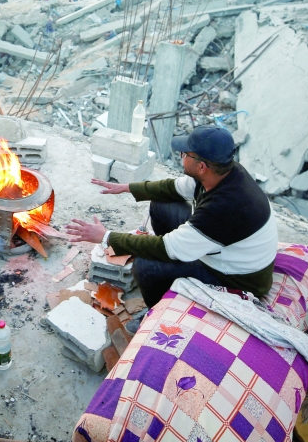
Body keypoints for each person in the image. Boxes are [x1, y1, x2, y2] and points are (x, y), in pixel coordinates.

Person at [65, 126, 277, 307]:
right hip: (220, 249)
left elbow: (166, 247)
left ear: (201, 166)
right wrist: (127, 187)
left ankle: (157, 312)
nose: (181, 157)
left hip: (237, 277)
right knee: (160, 205)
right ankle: (175, 270)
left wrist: (106, 237)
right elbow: (173, 188)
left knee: (145, 267)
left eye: (185, 154)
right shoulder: (223, 172)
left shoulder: (223, 208)